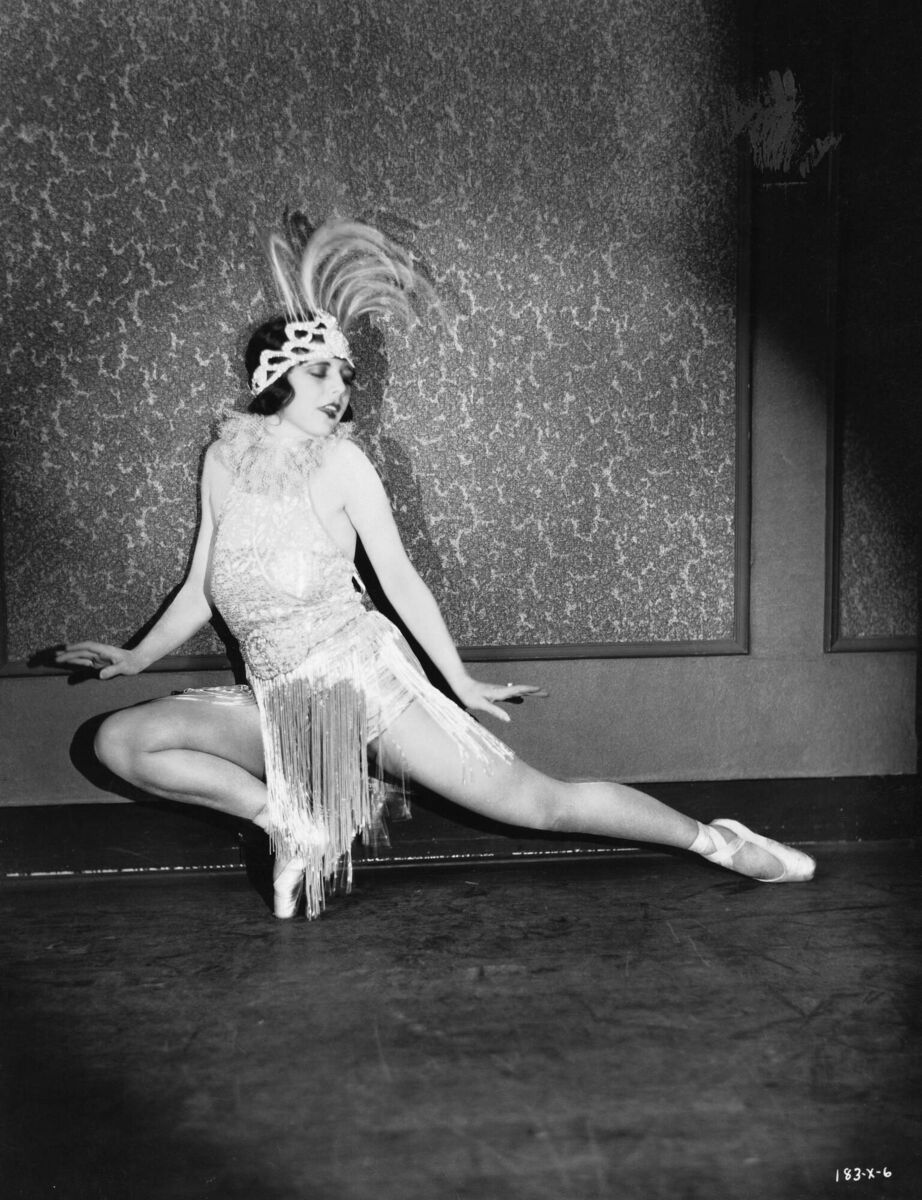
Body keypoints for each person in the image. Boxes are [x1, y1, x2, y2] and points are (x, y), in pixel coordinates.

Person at [57, 220, 815, 919]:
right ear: (275, 378)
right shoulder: (224, 460)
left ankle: (716, 840)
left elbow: (399, 578)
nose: (340, 390)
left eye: (346, 375)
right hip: (283, 704)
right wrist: (134, 657)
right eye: (322, 372)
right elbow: (199, 590)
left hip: (363, 686)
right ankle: (290, 820)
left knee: (536, 803)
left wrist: (458, 681)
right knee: (121, 742)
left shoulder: (344, 465)